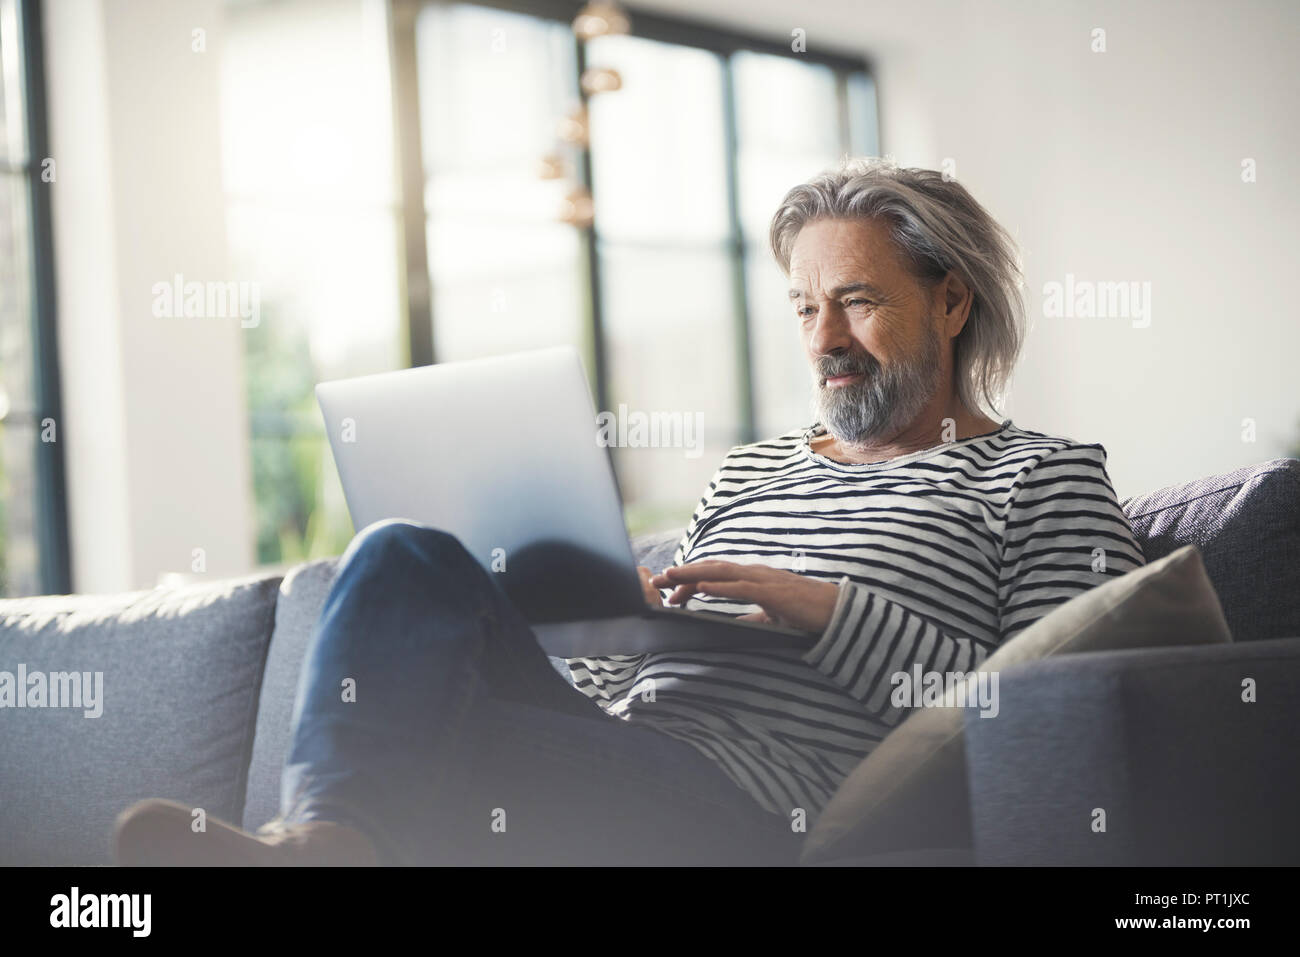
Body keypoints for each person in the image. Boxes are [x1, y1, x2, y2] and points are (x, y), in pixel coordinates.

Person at [113, 158, 1145, 866]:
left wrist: (820, 607)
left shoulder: (1038, 479)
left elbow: (1044, 716)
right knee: (404, 554)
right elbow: (611, 680)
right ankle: (328, 845)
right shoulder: (749, 473)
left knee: (418, 758)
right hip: (614, 755)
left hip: (745, 802)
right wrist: (606, 613)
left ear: (951, 303)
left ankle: (330, 849)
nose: (824, 336)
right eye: (802, 306)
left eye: (859, 301)